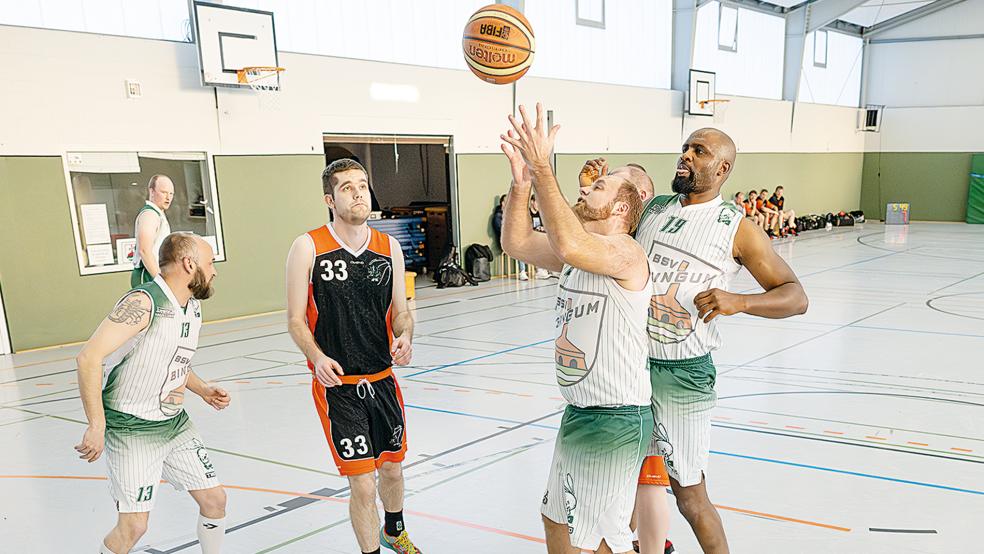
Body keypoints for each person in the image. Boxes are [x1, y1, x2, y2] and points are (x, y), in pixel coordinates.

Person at [632, 128, 809, 554]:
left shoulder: (737, 227)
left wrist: (741, 301)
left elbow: (796, 296)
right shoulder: (653, 209)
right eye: (685, 148)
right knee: (614, 481)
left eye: (698, 151)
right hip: (628, 364)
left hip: (681, 375)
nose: (686, 156)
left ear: (722, 168)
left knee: (690, 496)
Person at [501, 103, 653, 554]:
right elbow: (517, 242)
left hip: (614, 419)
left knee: (601, 543)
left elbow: (567, 241)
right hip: (579, 415)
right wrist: (521, 183)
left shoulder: (627, 255)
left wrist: (544, 166)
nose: (586, 189)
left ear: (622, 206)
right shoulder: (579, 254)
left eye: (599, 187)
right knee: (556, 523)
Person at [285, 158, 419, 554]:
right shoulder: (308, 246)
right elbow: (295, 320)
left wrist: (405, 336)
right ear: (330, 198)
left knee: (392, 469)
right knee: (362, 482)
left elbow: (402, 312)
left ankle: (393, 531)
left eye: (362, 185)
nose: (358, 192)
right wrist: (317, 356)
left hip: (383, 381)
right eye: (347, 187)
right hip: (338, 388)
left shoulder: (388, 247)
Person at [74, 232, 230, 554]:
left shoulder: (192, 307)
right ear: (189, 264)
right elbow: (88, 357)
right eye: (210, 262)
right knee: (134, 526)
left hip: (173, 423)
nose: (214, 270)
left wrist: (201, 389)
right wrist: (96, 424)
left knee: (215, 500)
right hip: (132, 427)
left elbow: (172, 359)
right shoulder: (143, 303)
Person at [131, 175, 174, 287]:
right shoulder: (150, 215)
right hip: (147, 274)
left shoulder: (158, 214)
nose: (168, 198)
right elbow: (144, 250)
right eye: (164, 192)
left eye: (171, 194)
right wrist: (160, 280)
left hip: (154, 273)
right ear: (152, 191)